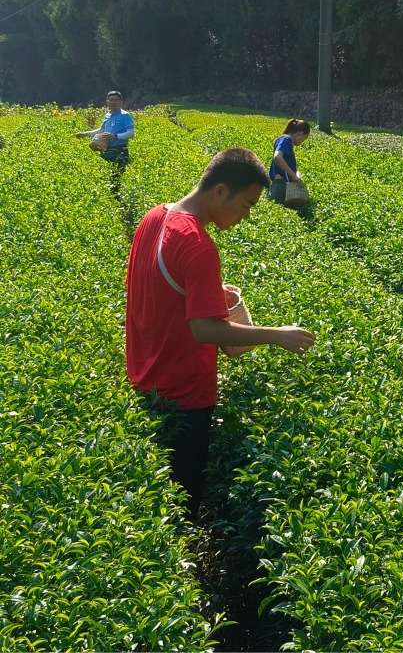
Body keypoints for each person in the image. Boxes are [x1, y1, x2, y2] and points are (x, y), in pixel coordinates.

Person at [125, 147, 316, 521]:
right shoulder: (198, 245)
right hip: (184, 391)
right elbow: (205, 329)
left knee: (154, 497)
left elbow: (162, 286)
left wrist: (207, 292)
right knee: (182, 500)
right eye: (246, 205)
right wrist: (277, 334)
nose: (245, 217)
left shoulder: (155, 216)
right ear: (220, 191)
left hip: (145, 376)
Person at [75, 90, 135, 165]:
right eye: (111, 100)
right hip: (107, 150)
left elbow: (131, 133)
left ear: (121, 102)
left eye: (116, 100)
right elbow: (101, 130)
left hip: (120, 150)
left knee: (117, 174)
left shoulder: (125, 115)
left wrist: (115, 136)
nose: (113, 102)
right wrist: (86, 134)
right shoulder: (107, 115)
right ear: (107, 101)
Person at [269, 119, 310, 204]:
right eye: (304, 139)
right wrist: (293, 176)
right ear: (300, 134)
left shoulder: (285, 140)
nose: (303, 142)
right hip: (281, 186)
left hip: (279, 185)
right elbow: (277, 157)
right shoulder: (286, 139)